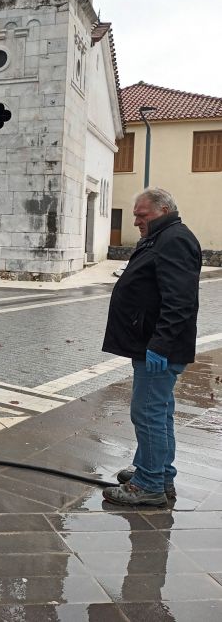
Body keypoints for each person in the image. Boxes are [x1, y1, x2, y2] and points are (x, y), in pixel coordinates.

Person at [101, 187, 201, 507]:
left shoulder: (175, 240)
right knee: (159, 411)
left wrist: (159, 345)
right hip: (151, 344)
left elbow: (179, 300)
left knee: (148, 413)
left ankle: (148, 484)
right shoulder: (164, 237)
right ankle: (159, 472)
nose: (135, 221)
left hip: (158, 349)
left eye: (141, 215)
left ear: (162, 210)